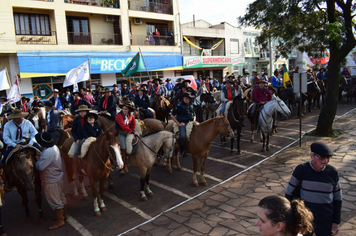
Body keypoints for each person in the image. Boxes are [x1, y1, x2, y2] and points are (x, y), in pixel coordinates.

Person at [285, 142, 342, 236]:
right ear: (311, 155)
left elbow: (338, 198)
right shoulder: (301, 170)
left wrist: (336, 221)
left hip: (326, 220)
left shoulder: (333, 172)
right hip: (305, 219)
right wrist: (292, 218)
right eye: (322, 157)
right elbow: (289, 193)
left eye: (329, 158)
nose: (326, 161)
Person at [35, 132, 67, 230]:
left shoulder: (48, 152)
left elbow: (40, 167)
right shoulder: (54, 147)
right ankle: (64, 214)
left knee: (54, 199)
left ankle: (59, 220)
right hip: (58, 177)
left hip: (50, 179)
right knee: (61, 197)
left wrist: (37, 160)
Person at [115, 101, 139, 174]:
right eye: (123, 109)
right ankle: (123, 165)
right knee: (123, 147)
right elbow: (123, 126)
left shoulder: (131, 115)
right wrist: (131, 132)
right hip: (121, 132)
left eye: (126, 109)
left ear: (128, 110)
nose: (124, 110)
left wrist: (133, 130)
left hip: (128, 132)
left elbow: (133, 123)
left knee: (131, 145)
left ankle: (128, 161)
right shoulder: (118, 116)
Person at [170, 92, 196, 157]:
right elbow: (172, 115)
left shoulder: (192, 104)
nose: (185, 99)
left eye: (186, 98)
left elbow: (194, 114)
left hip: (191, 122)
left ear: (189, 99)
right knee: (182, 136)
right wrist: (178, 123)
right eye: (184, 98)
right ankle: (182, 150)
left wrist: (194, 120)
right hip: (182, 122)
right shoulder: (179, 105)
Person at [71, 105, 91, 179]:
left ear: (86, 112)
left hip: (90, 138)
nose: (81, 113)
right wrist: (76, 139)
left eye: (83, 111)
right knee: (76, 152)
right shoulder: (76, 120)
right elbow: (73, 131)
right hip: (79, 138)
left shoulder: (90, 118)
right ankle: (75, 171)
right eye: (80, 112)